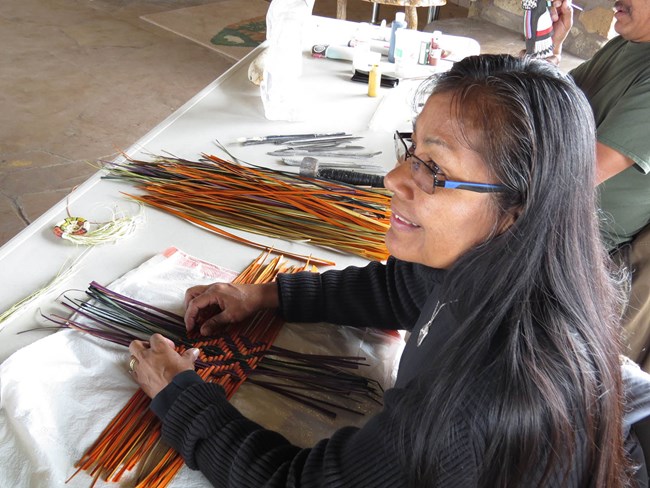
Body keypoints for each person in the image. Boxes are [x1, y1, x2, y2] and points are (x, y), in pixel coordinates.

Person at [128, 54, 641, 487]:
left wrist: (181, 397)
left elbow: (296, 482)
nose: (395, 177)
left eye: (434, 169)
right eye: (412, 150)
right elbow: (402, 289)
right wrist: (267, 297)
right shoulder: (506, 258)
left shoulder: (476, 400)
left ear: (518, 208)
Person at [549, 0, 650, 369]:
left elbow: (573, 174)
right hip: (550, 213)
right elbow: (550, 101)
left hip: (574, 244)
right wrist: (549, 44)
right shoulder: (629, 43)